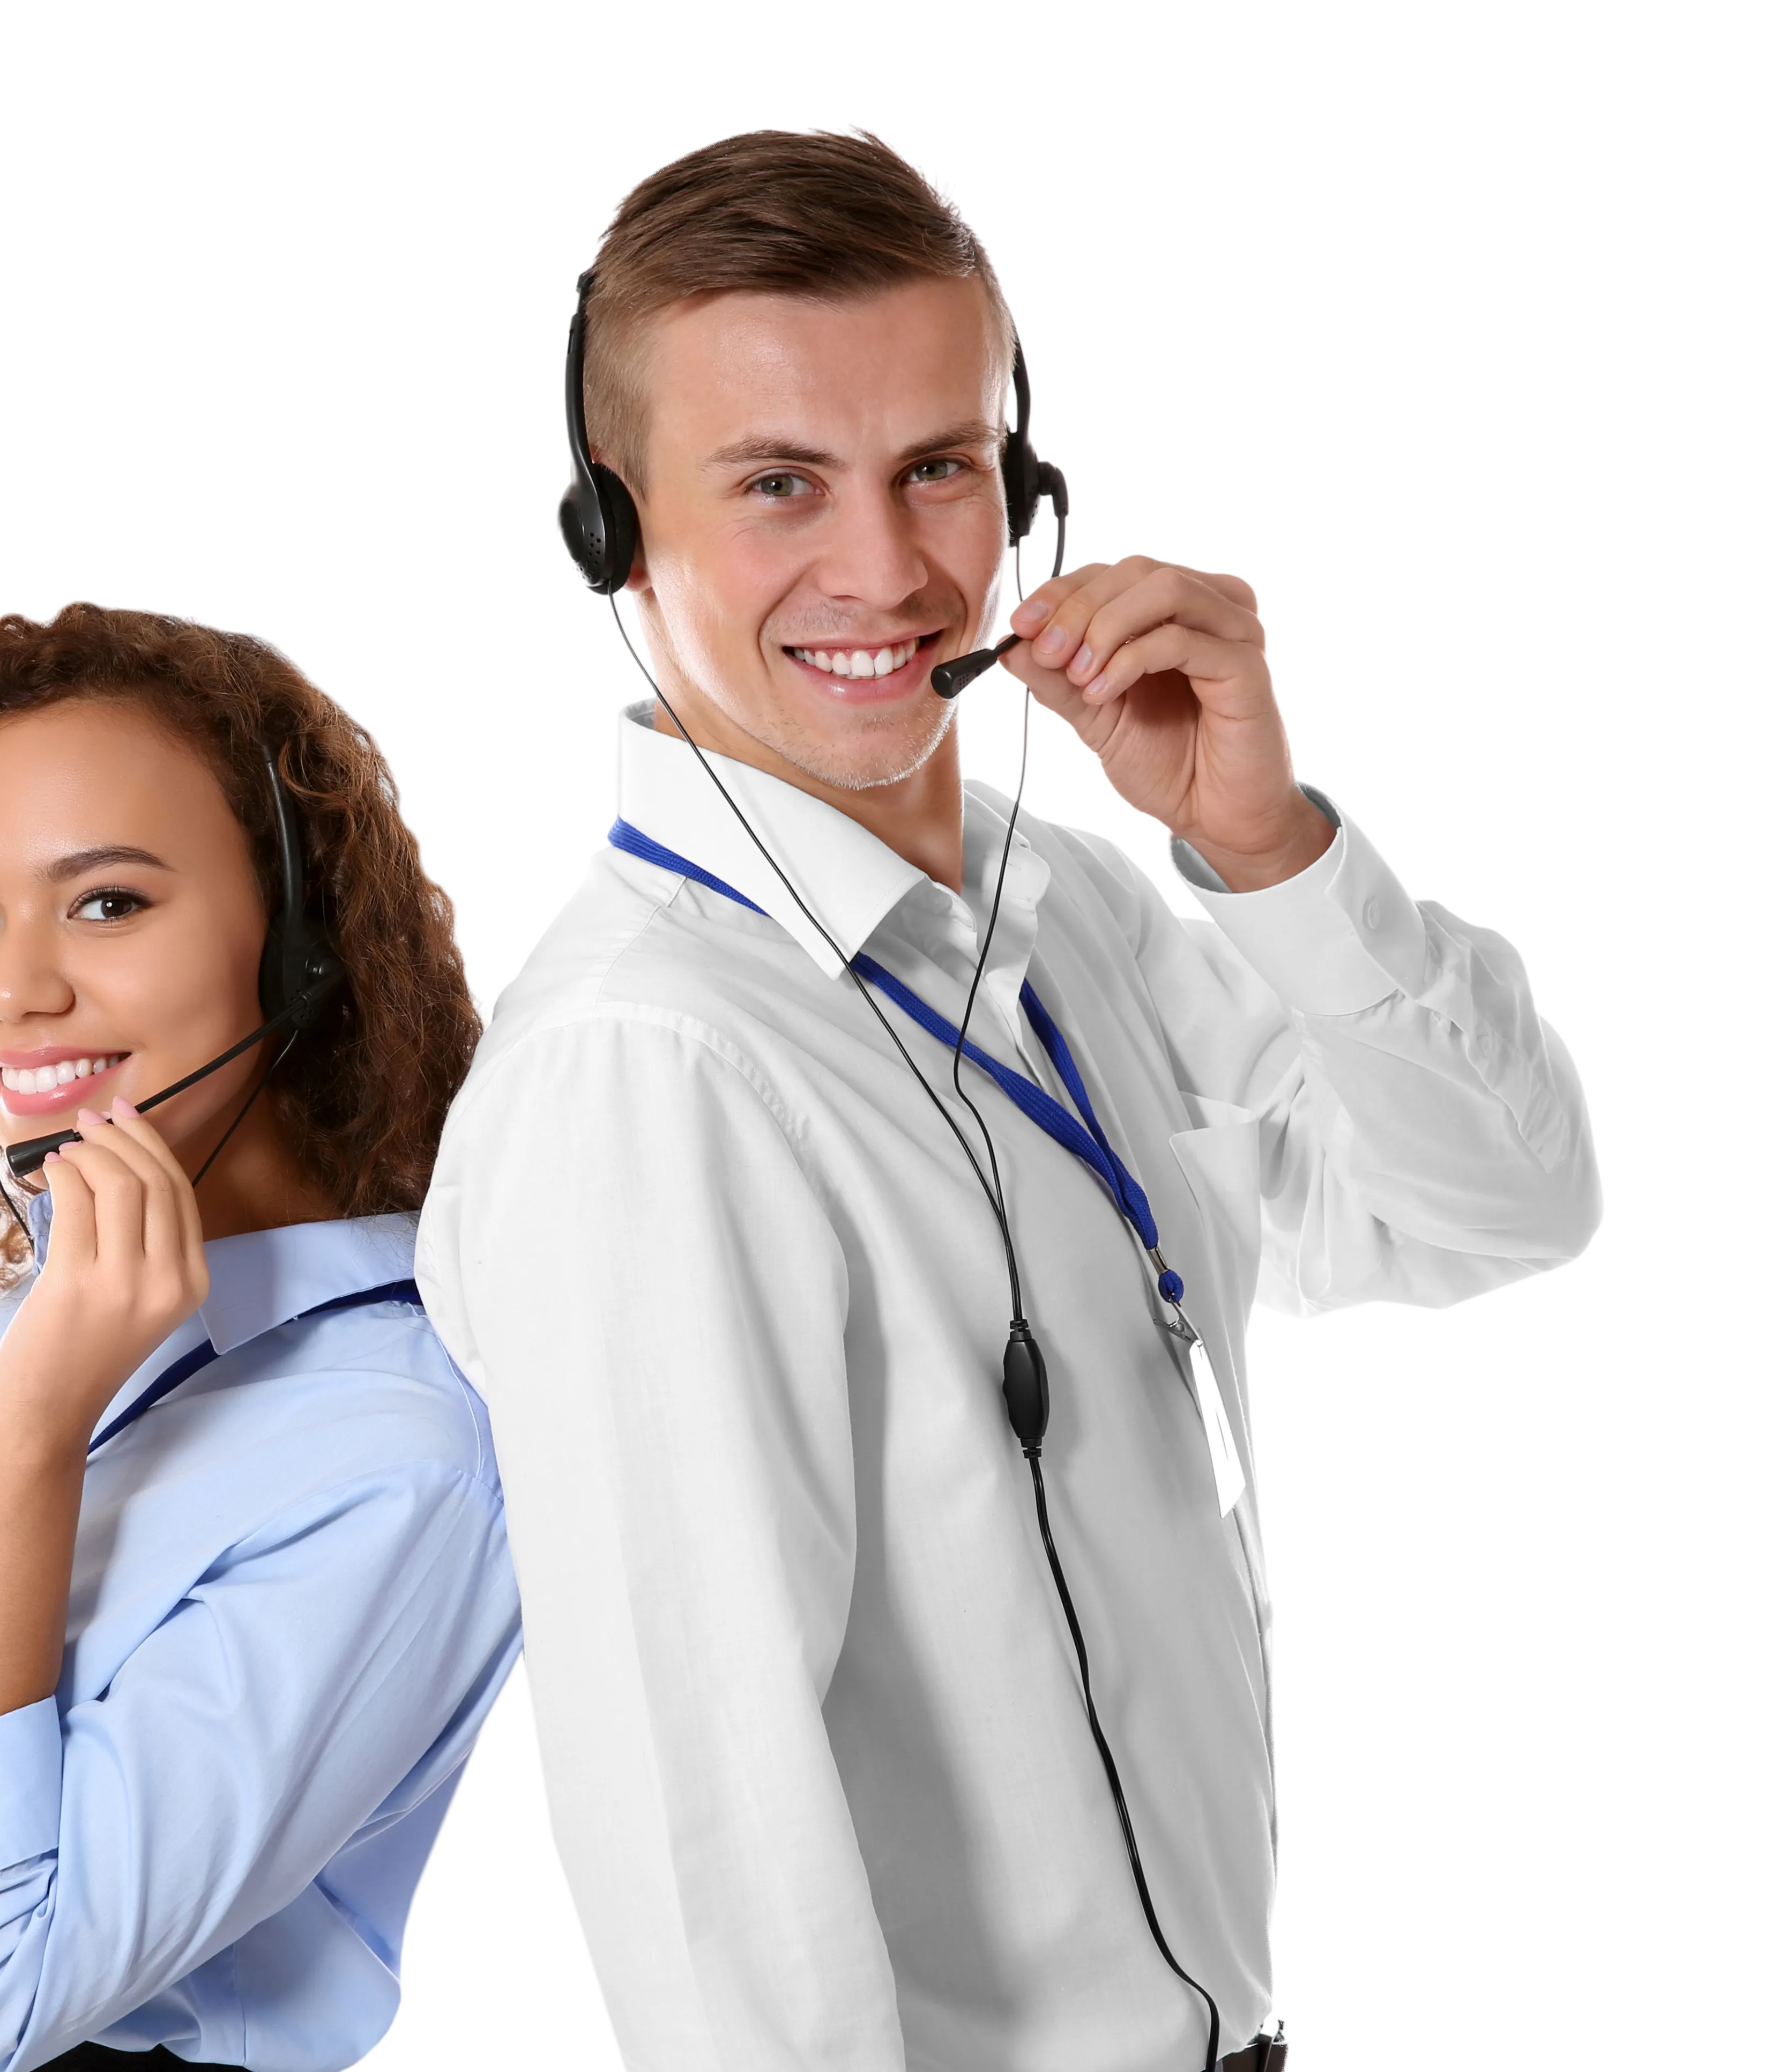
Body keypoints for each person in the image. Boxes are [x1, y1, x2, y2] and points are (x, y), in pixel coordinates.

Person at [414, 127, 1603, 2072]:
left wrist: (1271, 849)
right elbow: (711, 1862)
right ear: (611, 536)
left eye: (937, 470)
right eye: (778, 484)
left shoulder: (1062, 905)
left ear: (1021, 494)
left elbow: (1502, 1210)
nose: (882, 571)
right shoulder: (649, 1075)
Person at [0, 601, 520, 2072]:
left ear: (299, 944)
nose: (13, 992)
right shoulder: (35, 1304)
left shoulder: (405, 1453)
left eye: (109, 901)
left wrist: (41, 1436)